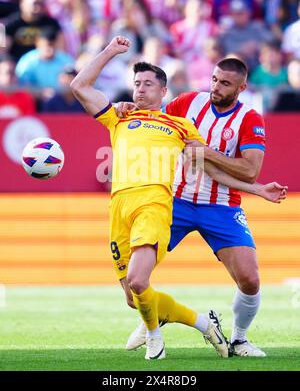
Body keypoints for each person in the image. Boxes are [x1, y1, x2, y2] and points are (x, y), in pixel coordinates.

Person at [71, 36, 287, 360]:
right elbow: (138, 112)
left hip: (209, 205)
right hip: (175, 201)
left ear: (240, 88)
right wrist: (124, 100)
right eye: (214, 79)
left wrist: (255, 188)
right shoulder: (181, 105)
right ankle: (152, 317)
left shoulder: (239, 120)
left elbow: (240, 169)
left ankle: (236, 338)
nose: (216, 87)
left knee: (250, 278)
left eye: (225, 83)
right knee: (134, 290)